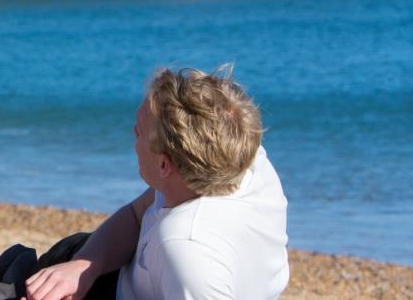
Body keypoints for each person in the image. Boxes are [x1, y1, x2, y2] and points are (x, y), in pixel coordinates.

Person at [24, 67, 289, 300]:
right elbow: (138, 214)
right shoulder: (240, 156)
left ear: (165, 165)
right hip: (113, 266)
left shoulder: (188, 245)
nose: (133, 133)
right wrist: (85, 265)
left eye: (138, 131)